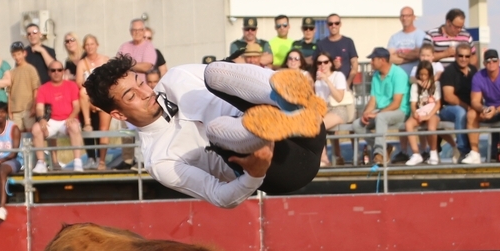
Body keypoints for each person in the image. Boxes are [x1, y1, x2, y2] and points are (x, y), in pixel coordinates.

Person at [82, 56, 327, 208]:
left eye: (140, 81)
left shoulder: (177, 76)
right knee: (215, 130)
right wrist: (254, 174)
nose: (146, 92)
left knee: (215, 72)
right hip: (282, 168)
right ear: (119, 115)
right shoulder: (159, 159)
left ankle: (287, 101)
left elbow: (237, 79)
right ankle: (266, 127)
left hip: (309, 129)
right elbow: (220, 197)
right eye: (131, 95)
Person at [462, 49, 500, 165]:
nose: (491, 63)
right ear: (484, 63)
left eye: (494, 60)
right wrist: (483, 109)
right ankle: (474, 153)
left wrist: (496, 110)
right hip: (488, 108)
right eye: (488, 61)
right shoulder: (478, 77)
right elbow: (474, 101)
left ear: (499, 62)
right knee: (471, 114)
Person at [31, 60, 86, 173]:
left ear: (63, 71)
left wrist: (71, 117)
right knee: (36, 129)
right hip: (51, 120)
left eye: (59, 70)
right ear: (49, 72)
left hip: (67, 120)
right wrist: (41, 119)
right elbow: (39, 108)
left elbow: (77, 107)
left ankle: (77, 161)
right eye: (53, 70)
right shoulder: (43, 88)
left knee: (75, 127)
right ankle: (41, 162)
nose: (56, 72)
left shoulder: (72, 85)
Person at [359, 47, 409, 167]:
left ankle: (379, 154)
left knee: (380, 117)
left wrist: (376, 114)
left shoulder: (399, 74)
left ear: (382, 60)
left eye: (373, 59)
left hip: (400, 111)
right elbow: (373, 100)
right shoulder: (376, 75)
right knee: (357, 124)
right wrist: (366, 113)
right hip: (382, 111)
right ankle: (385, 148)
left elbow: (397, 103)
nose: (371, 62)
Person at [77, 34, 111, 168]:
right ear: (84, 47)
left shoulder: (105, 60)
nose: (90, 47)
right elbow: (79, 82)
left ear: (97, 45)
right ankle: (87, 122)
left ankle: (102, 161)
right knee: (82, 91)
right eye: (87, 45)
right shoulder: (82, 63)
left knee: (104, 129)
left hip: (103, 95)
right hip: (90, 95)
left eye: (92, 44)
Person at [437, 42, 475, 159]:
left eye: (467, 56)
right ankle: (463, 150)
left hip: (471, 106)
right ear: (455, 56)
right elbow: (448, 97)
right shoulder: (449, 71)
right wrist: (467, 107)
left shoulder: (474, 71)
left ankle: (493, 151)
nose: (464, 59)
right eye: (461, 56)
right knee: (461, 112)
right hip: (448, 108)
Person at [314, 52, 351, 166]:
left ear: (330, 63)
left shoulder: (338, 75)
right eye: (319, 63)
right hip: (324, 110)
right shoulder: (317, 80)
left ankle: (324, 159)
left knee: (317, 126)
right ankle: (325, 158)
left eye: (325, 62)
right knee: (311, 123)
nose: (322, 65)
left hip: (339, 109)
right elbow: (321, 101)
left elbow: (339, 97)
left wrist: (327, 80)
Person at [404, 61, 441, 166]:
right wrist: (414, 112)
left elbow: (438, 104)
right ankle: (416, 154)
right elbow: (413, 103)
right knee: (408, 124)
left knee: (431, 126)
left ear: (430, 74)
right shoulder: (415, 86)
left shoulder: (436, 84)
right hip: (421, 112)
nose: (423, 77)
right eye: (421, 74)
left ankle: (433, 153)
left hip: (433, 113)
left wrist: (428, 116)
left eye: (426, 74)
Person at [8, 42, 40, 133]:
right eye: (14, 55)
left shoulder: (31, 69)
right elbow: (9, 93)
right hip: (15, 110)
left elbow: (35, 89)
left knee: (30, 134)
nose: (17, 57)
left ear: (24, 53)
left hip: (28, 109)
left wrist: (34, 106)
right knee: (18, 134)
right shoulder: (12, 72)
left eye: (19, 54)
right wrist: (9, 111)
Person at [317, 14, 358, 80]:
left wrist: (348, 83)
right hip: (326, 84)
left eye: (336, 23)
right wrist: (332, 66)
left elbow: (354, 65)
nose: (333, 26)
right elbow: (317, 66)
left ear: (340, 24)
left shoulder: (348, 42)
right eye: (331, 24)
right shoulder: (321, 44)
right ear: (327, 25)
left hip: (346, 84)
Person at [388, 7, 428, 73]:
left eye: (408, 16)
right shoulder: (394, 37)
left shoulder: (421, 35)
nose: (404, 18)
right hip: (398, 76)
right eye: (402, 16)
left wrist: (400, 54)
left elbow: (419, 54)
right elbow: (390, 58)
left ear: (413, 17)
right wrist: (410, 57)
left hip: (415, 76)